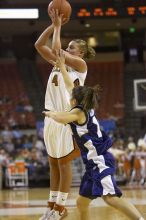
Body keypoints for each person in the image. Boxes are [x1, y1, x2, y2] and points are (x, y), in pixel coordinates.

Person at [43, 53, 144, 220]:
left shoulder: (77, 112)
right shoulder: (83, 106)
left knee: (111, 198)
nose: (69, 98)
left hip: (100, 161)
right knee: (82, 202)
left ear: (75, 100)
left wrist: (51, 113)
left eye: (71, 97)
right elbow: (70, 86)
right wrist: (61, 67)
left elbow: (62, 118)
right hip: (92, 165)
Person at [35, 9, 95, 220]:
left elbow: (55, 48)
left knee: (63, 163)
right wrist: (52, 24)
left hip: (66, 118)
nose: (67, 49)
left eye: (72, 48)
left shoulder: (80, 66)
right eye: (67, 47)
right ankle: (51, 207)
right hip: (51, 117)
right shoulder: (58, 63)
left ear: (80, 54)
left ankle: (61, 209)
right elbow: (39, 45)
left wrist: (59, 26)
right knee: (53, 163)